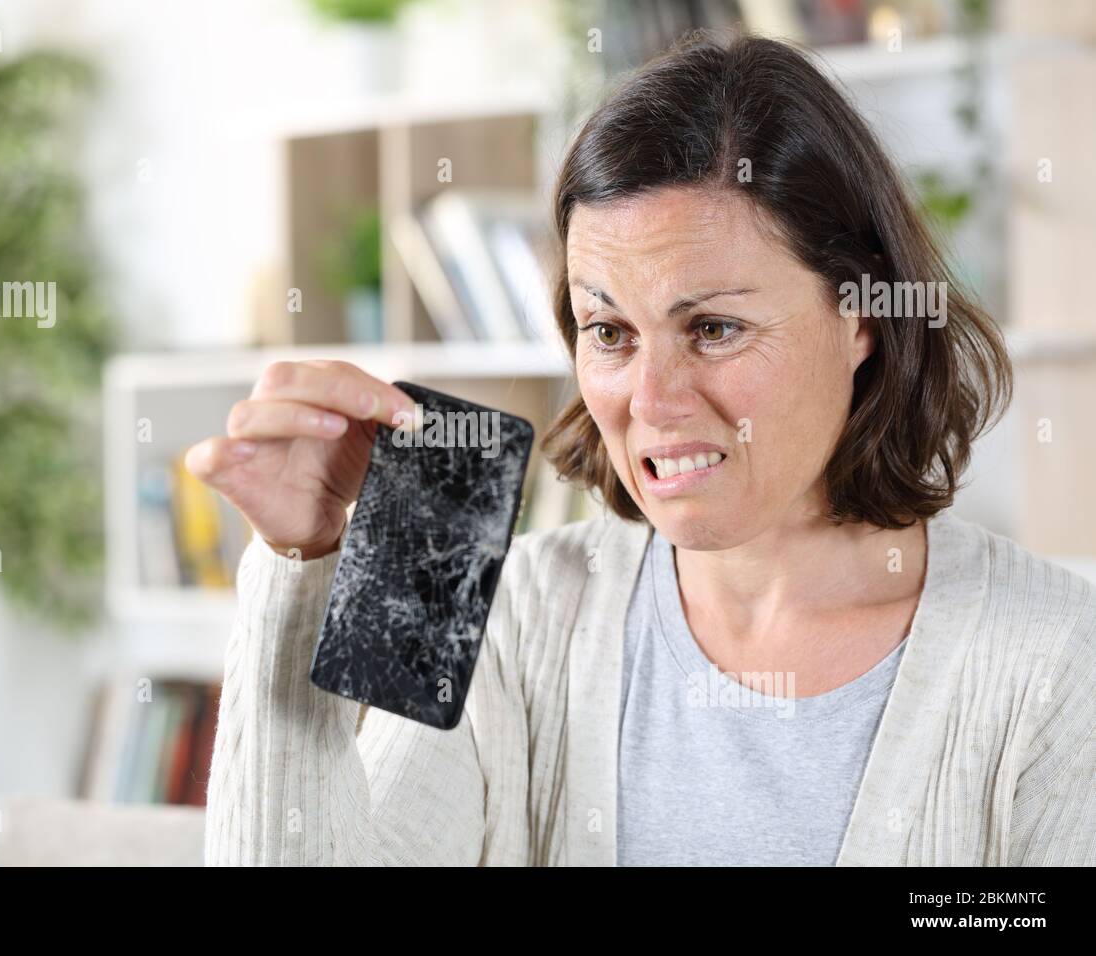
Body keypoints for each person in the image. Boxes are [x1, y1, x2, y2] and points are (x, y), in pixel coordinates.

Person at [186, 32, 1095, 866]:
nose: (652, 403)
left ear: (861, 318)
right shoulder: (512, 614)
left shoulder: (1049, 658)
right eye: (609, 333)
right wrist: (302, 565)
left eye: (713, 327)